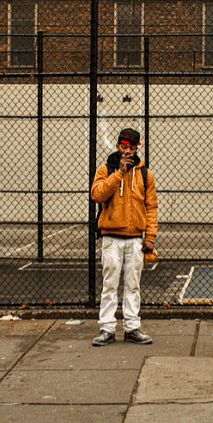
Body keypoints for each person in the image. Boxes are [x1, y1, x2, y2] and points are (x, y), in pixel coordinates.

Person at [90, 128, 157, 347]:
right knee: (109, 284)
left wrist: (150, 237)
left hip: (135, 238)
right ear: (118, 146)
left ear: (137, 148)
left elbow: (151, 207)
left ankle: (132, 327)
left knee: (133, 284)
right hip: (111, 237)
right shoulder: (105, 169)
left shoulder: (145, 174)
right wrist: (118, 174)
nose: (126, 151)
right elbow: (97, 194)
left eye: (131, 147)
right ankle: (107, 328)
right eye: (123, 146)